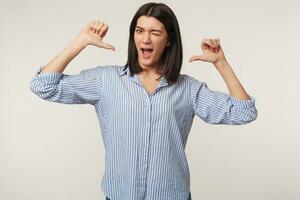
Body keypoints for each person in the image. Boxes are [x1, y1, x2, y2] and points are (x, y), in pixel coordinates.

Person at [30, 2, 257, 200]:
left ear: (169, 40)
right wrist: (80, 41)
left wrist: (221, 63)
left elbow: (244, 112)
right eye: (139, 31)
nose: (145, 39)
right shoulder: (106, 80)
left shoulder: (187, 89)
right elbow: (42, 85)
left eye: (155, 33)